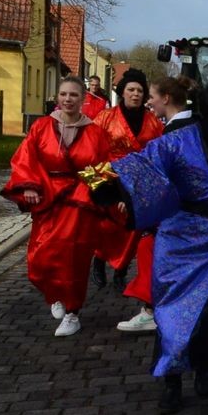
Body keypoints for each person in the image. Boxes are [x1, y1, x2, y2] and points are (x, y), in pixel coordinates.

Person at [85, 69, 208, 413]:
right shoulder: (178, 142)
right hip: (179, 240)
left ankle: (207, 366)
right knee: (172, 316)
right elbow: (138, 166)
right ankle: (171, 381)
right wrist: (101, 183)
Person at [1, 76, 111, 337]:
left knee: (73, 257)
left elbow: (102, 166)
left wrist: (98, 194)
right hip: (48, 197)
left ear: (83, 98)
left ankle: (73, 312)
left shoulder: (95, 132)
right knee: (40, 257)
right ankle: (54, 293)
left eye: (73, 95)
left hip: (80, 200)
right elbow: (26, 157)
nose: (68, 99)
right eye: (63, 94)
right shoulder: (41, 126)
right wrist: (29, 185)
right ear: (57, 97)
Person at [113, 75, 200, 333]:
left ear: (166, 98)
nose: (148, 102)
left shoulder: (174, 132)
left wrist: (131, 198)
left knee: (151, 251)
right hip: (188, 209)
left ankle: (152, 310)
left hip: (175, 210)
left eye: (151, 96)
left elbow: (162, 178)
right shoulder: (195, 125)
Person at [90, 68, 163, 292]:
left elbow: (157, 154)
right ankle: (99, 261)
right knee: (104, 223)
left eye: (140, 90)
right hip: (107, 173)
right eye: (131, 89)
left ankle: (121, 271)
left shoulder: (153, 121)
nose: (135, 94)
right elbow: (91, 148)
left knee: (133, 226)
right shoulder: (105, 116)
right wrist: (94, 183)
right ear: (122, 92)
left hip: (138, 179)